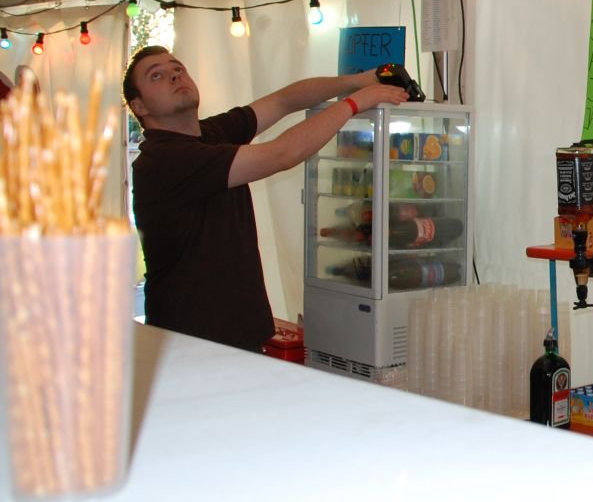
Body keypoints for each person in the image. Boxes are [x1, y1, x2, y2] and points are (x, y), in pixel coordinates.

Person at [123, 46, 410, 351]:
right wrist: (354, 103)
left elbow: (285, 100)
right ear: (139, 106)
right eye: (157, 75)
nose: (174, 75)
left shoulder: (210, 135)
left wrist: (359, 80)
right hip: (189, 341)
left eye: (177, 68)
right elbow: (282, 154)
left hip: (238, 334)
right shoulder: (164, 160)